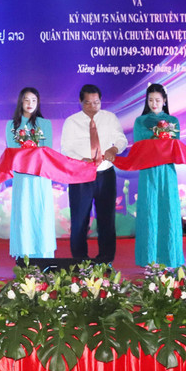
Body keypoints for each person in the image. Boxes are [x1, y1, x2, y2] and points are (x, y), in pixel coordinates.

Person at [60, 84, 128, 263]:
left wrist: (114, 148)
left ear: (101, 100)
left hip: (105, 174)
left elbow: (121, 139)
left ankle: (105, 260)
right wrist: (82, 160)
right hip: (81, 175)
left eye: (96, 102)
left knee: (107, 219)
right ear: (80, 102)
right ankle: (80, 261)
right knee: (80, 220)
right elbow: (66, 148)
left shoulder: (110, 118)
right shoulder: (71, 122)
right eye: (88, 103)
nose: (93, 107)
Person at [132, 84, 183, 267]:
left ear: (165, 101)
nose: (154, 103)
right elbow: (139, 144)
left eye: (158, 100)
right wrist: (159, 137)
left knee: (168, 211)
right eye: (151, 100)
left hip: (167, 172)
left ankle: (169, 259)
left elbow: (175, 146)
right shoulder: (140, 121)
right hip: (148, 172)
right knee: (149, 212)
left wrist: (158, 139)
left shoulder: (173, 121)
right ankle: (149, 261)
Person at [6, 87, 55, 259]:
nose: (30, 104)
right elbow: (12, 151)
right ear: (20, 101)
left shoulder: (45, 124)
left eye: (34, 100)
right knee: (24, 214)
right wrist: (28, 149)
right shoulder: (11, 125)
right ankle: (24, 257)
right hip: (22, 177)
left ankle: (44, 256)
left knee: (41, 214)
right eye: (26, 100)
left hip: (41, 176)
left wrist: (30, 148)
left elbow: (47, 149)